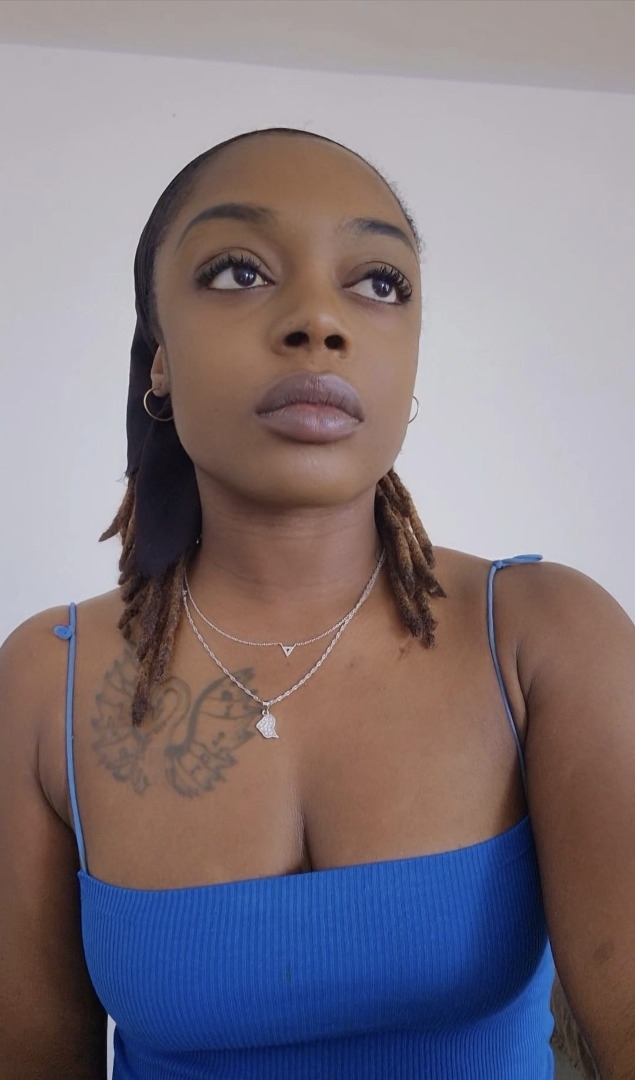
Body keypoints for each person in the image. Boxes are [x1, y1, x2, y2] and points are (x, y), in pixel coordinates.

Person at [0, 127, 632, 1080]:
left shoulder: (548, 638)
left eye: (377, 283)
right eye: (237, 271)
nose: (318, 322)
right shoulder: (44, 683)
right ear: (158, 358)